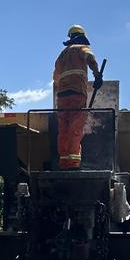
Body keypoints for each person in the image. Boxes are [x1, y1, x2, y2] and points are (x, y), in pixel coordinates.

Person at [52, 24, 103, 170]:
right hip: (77, 94)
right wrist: (97, 75)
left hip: (62, 97)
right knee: (76, 127)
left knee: (63, 128)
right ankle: (74, 163)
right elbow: (91, 58)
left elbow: (55, 78)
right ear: (82, 36)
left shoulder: (61, 55)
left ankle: (64, 162)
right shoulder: (81, 48)